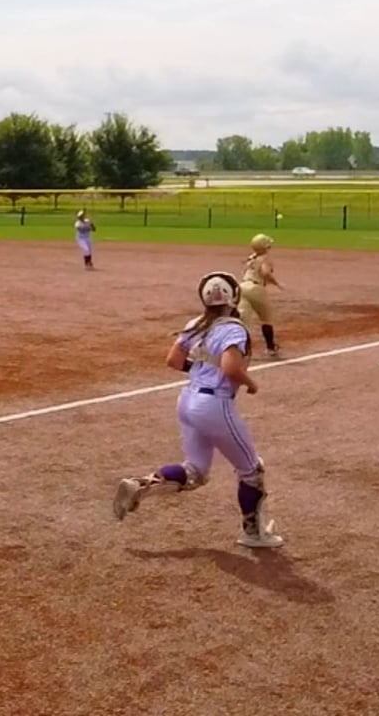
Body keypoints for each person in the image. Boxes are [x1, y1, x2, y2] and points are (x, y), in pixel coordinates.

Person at [111, 272, 283, 549]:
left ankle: (140, 485)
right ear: (233, 297)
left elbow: (174, 360)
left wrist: (202, 370)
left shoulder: (196, 324)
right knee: (252, 470)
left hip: (188, 399)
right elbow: (230, 367)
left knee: (195, 470)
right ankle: (253, 534)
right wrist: (250, 383)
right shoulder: (233, 328)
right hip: (214, 404)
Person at [238, 234, 283, 356]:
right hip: (256, 288)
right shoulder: (265, 258)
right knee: (266, 319)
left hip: (242, 287)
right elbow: (266, 273)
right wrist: (277, 284)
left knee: (243, 320)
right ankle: (270, 348)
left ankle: (240, 348)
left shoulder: (252, 257)